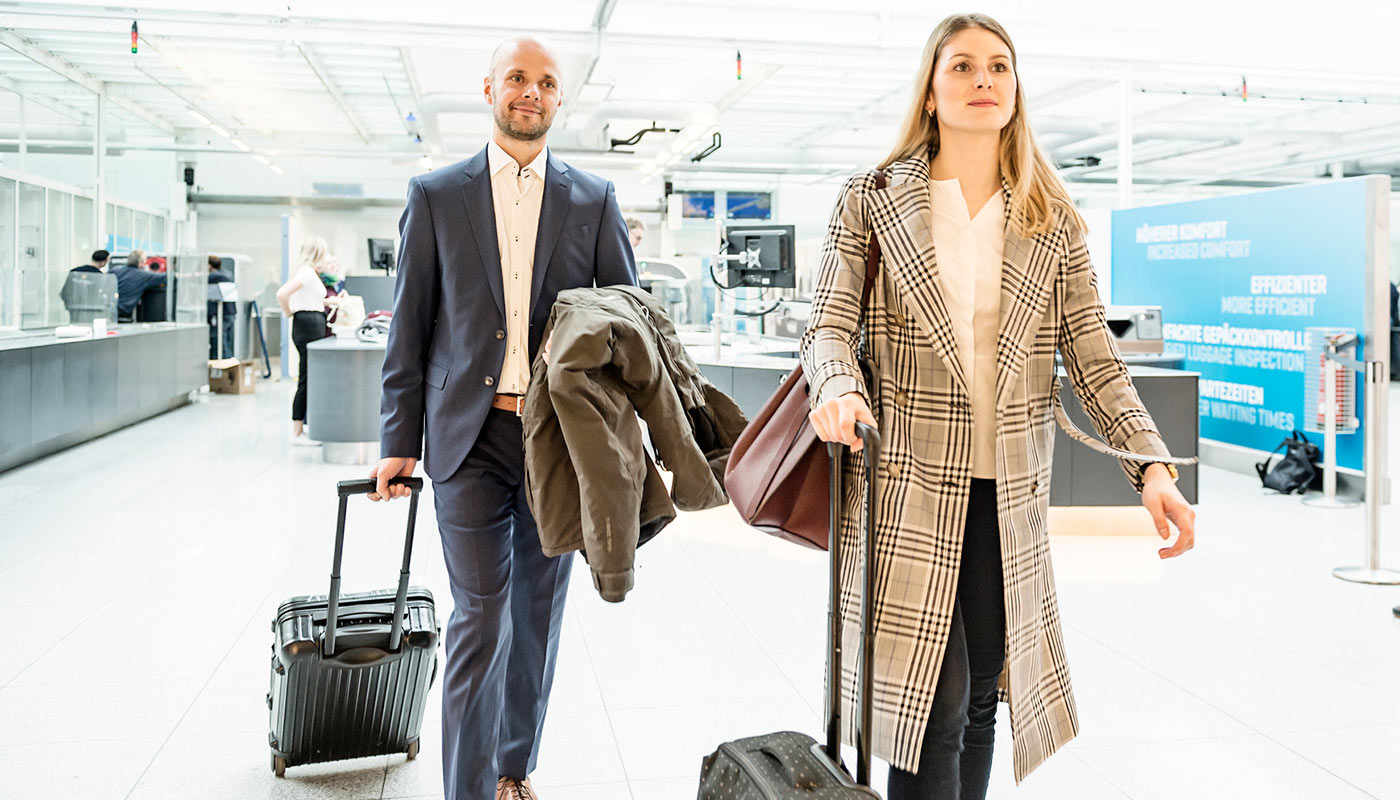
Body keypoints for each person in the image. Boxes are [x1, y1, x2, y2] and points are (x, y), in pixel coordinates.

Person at [802, 14, 1196, 799]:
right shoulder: (872, 202)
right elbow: (828, 327)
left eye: (999, 67)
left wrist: (1151, 464)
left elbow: (1095, 358)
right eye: (963, 66)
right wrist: (837, 386)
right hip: (904, 483)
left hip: (1006, 491)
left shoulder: (1051, 219)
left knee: (983, 694)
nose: (983, 80)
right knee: (928, 704)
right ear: (931, 90)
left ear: (1016, 92)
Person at [368, 35, 636, 800]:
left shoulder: (593, 200)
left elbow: (628, 325)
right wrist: (397, 439)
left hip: (558, 442)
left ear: (560, 99)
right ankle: (467, 789)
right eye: (517, 78)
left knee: (538, 613)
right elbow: (410, 327)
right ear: (488, 89)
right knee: (481, 615)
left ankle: (513, 770)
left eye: (548, 82)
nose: (532, 92)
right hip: (469, 437)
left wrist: (620, 439)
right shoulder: (436, 195)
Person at [276, 237, 338, 444]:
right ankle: (296, 431)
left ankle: (301, 428)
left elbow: (308, 298)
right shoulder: (306, 272)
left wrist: (327, 302)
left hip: (311, 323)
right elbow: (282, 294)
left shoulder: (308, 272)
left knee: (309, 376)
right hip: (308, 325)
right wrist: (289, 312)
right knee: (306, 378)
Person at [60, 249, 117, 323]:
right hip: (93, 313)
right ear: (102, 263)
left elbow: (64, 292)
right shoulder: (100, 276)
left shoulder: (74, 272)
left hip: (74, 311)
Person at [111, 249, 165, 321]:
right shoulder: (143, 275)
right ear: (140, 262)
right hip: (123, 313)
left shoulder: (114, 270)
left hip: (109, 309)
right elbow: (166, 277)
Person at [207, 254, 236, 359]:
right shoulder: (228, 274)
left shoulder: (218, 276)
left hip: (222, 315)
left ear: (209, 266)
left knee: (219, 342)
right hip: (229, 313)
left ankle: (222, 369)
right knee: (226, 342)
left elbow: (211, 277)